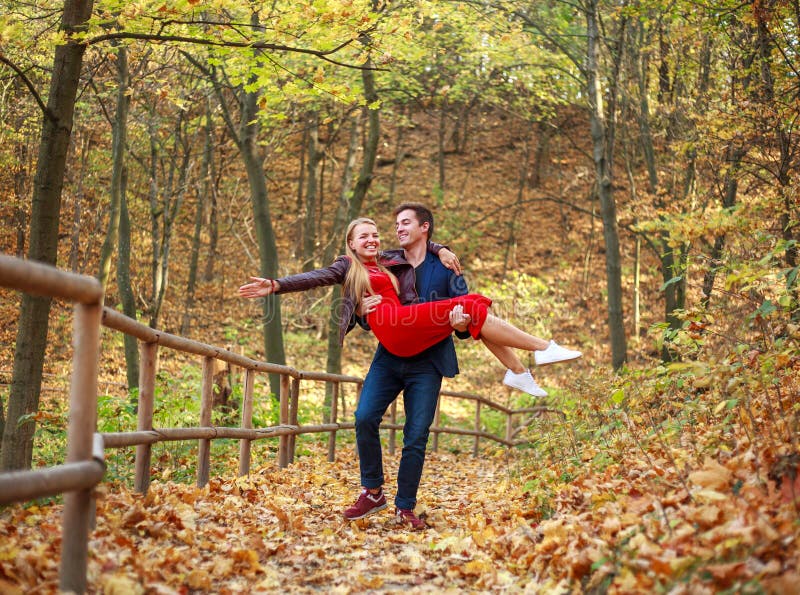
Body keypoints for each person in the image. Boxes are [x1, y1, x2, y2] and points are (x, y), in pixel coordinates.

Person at [239, 206, 581, 527]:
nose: (373, 239)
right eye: (364, 236)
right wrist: (276, 285)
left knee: (469, 314)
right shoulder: (347, 265)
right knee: (364, 418)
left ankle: (405, 506)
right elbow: (316, 278)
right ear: (351, 244)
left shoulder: (394, 260)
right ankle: (372, 492)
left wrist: (441, 249)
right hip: (392, 338)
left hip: (421, 350)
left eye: (376, 234)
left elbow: (425, 247)